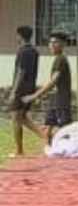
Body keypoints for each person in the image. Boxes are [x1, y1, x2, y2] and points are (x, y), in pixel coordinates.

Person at [23, 31, 73, 144]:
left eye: (55, 42)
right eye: (50, 42)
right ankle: (51, 149)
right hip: (55, 99)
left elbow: (53, 82)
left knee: (66, 131)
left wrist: (34, 96)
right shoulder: (58, 59)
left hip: (61, 101)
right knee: (48, 132)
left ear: (63, 44)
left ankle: (68, 151)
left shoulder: (61, 60)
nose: (51, 45)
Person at [8, 26, 44, 156]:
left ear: (20, 36)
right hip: (30, 87)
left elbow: (21, 72)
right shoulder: (34, 51)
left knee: (16, 118)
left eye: (17, 35)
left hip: (21, 89)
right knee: (23, 118)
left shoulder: (22, 51)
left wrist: (14, 91)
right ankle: (45, 136)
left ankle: (19, 151)